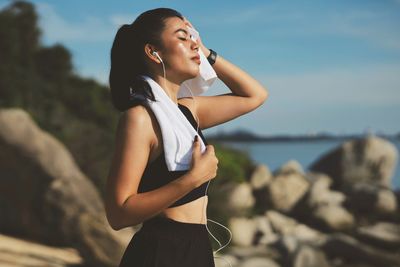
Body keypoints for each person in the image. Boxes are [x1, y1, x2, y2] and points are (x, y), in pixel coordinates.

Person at [105, 7, 268, 267]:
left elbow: (255, 95)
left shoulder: (188, 110)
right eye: (182, 37)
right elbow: (118, 213)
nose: (193, 42)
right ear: (152, 51)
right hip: (161, 251)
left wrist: (205, 53)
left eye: (193, 36)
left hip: (197, 247)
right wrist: (192, 179)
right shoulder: (140, 117)